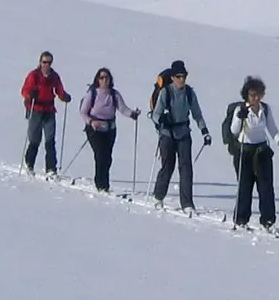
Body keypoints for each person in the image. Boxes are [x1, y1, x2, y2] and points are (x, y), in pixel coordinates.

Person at [226, 76, 279, 231]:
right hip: (245, 150)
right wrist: (240, 117)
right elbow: (234, 131)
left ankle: (268, 220)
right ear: (246, 95)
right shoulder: (240, 109)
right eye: (252, 95)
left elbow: (272, 128)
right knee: (244, 186)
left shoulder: (265, 109)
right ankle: (241, 219)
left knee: (266, 187)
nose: (256, 98)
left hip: (262, 151)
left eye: (259, 94)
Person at [151, 62, 209, 213]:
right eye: (178, 76)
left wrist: (204, 131)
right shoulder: (166, 92)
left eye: (184, 76)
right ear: (172, 77)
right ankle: (158, 196)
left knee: (186, 168)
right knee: (168, 166)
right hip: (167, 134)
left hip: (184, 133)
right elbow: (155, 114)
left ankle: (187, 203)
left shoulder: (189, 93)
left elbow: (197, 114)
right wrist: (162, 120)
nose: (182, 79)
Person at [79, 67, 141, 193]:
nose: (104, 80)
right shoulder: (92, 93)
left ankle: (104, 184)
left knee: (107, 157)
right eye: (101, 77)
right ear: (97, 80)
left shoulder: (114, 94)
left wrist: (132, 114)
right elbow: (83, 112)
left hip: (110, 130)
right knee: (100, 155)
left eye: (106, 77)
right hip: (95, 130)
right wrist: (91, 122)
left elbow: (122, 108)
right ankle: (101, 184)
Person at [19, 51, 72, 176]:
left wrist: (64, 97)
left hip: (49, 110)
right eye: (44, 62)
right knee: (34, 139)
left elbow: (59, 90)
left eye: (49, 62)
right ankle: (29, 163)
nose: (46, 65)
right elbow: (24, 90)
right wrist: (30, 94)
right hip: (35, 109)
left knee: (50, 140)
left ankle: (51, 168)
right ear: (40, 62)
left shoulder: (54, 76)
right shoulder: (34, 75)